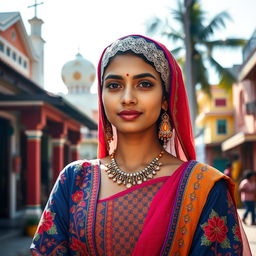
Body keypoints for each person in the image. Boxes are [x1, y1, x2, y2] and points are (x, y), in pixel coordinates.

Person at [30, 35, 251, 255]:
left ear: (165, 98)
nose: (127, 98)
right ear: (102, 96)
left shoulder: (205, 187)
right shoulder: (74, 179)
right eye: (114, 85)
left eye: (144, 84)